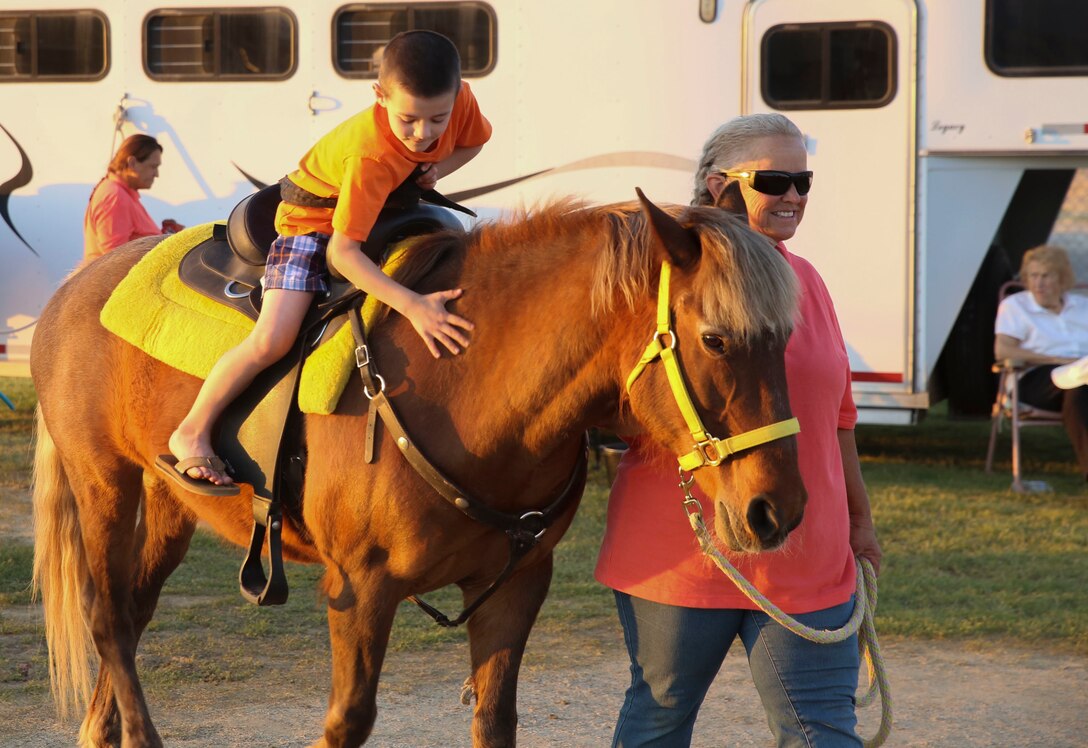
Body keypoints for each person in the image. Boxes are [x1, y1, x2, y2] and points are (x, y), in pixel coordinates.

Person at [595, 113, 883, 747]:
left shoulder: (807, 279)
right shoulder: (655, 282)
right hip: (680, 548)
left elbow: (838, 420)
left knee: (824, 731)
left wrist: (859, 522)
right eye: (775, 180)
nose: (794, 196)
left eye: (803, 181)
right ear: (720, 185)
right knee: (658, 719)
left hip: (807, 545)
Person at [156, 30, 491, 492]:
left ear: (457, 94)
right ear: (379, 96)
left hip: (388, 207)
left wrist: (436, 170)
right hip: (313, 224)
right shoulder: (369, 154)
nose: (424, 133)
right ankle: (192, 430)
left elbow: (474, 141)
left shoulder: (460, 103)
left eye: (438, 119)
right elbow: (342, 253)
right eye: (408, 120)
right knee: (273, 338)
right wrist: (414, 306)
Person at [994, 244, 1088, 479]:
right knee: (1077, 381)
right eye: (1033, 276)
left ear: (1062, 278)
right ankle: (1078, 371)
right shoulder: (1016, 306)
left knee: (1078, 392)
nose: (1038, 283)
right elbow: (1002, 350)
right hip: (1035, 379)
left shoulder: (1082, 307)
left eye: (1046, 276)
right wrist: (1057, 359)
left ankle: (1079, 371)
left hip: (1077, 387)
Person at [83, 134, 184, 263]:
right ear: (132, 163)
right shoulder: (115, 197)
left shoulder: (121, 193)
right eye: (153, 167)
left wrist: (165, 235)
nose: (156, 174)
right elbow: (114, 262)